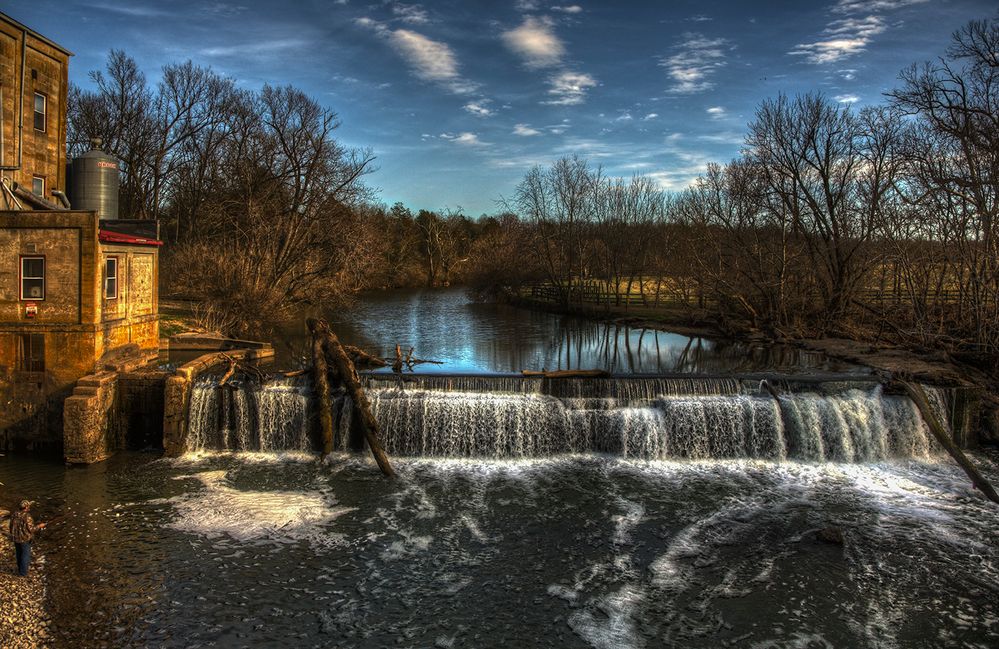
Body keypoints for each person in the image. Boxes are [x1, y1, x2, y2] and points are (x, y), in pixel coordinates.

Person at [10, 500, 45, 577]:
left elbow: (11, 526)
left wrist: (13, 535)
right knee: (25, 555)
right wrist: (40, 526)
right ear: (26, 507)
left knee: (18, 554)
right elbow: (32, 529)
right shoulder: (27, 516)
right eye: (28, 506)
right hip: (25, 539)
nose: (29, 507)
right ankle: (23, 573)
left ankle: (20, 570)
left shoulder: (14, 514)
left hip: (15, 538)